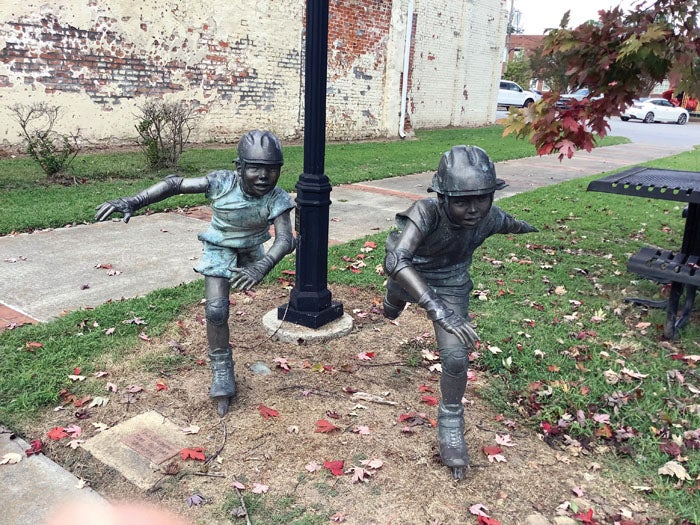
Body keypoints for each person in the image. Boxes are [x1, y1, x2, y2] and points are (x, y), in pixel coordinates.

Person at [95, 130, 295, 416]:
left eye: (272, 170)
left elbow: (285, 239)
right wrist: (134, 201)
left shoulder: (277, 197)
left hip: (252, 249)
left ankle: (222, 365)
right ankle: (222, 369)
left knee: (227, 298)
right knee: (216, 310)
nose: (264, 176)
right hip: (219, 247)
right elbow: (175, 184)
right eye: (255, 168)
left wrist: (262, 265)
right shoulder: (221, 183)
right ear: (239, 168)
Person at [382, 145, 537, 479]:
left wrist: (528, 228)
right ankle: (395, 298)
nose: (474, 209)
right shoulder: (426, 212)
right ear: (442, 197)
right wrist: (436, 307)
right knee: (396, 296)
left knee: (455, 358)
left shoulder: (490, 217)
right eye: (463, 200)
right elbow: (397, 260)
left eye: (482, 198)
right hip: (412, 273)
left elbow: (508, 223)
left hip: (451, 283)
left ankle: (451, 419)